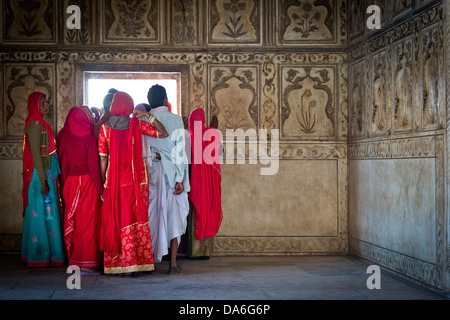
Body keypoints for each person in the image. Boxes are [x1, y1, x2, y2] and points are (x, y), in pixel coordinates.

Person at [98, 91, 168, 276]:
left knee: (118, 220)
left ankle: (121, 265)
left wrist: (103, 183)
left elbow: (103, 160)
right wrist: (147, 115)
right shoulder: (136, 125)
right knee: (137, 221)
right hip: (138, 183)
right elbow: (163, 133)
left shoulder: (105, 129)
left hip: (115, 184)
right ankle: (137, 264)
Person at [134, 84, 190, 274]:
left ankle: (149, 263)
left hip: (150, 173)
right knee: (174, 217)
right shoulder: (175, 120)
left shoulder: (143, 120)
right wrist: (180, 179)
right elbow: (180, 152)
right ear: (165, 99)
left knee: (152, 215)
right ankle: (172, 264)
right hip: (173, 173)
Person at [21, 91, 65, 267]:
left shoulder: (42, 124)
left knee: (49, 213)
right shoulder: (34, 125)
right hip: (40, 177)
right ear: (34, 105)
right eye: (42, 103)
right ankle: (39, 255)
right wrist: (43, 179)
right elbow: (36, 156)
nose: (46, 106)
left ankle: (52, 254)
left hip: (47, 174)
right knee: (40, 214)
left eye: (46, 103)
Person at [62, 106, 103, 272]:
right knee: (89, 224)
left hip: (71, 184)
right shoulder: (90, 140)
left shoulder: (68, 139)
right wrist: (102, 192)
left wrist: (64, 189)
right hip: (87, 184)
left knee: (77, 223)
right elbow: (94, 169)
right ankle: (89, 261)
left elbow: (64, 167)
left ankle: (75, 260)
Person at [187, 109, 223, 259]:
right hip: (209, 185)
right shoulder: (211, 134)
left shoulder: (188, 137)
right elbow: (220, 152)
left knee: (195, 214)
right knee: (207, 211)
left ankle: (194, 252)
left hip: (194, 183)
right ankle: (205, 252)